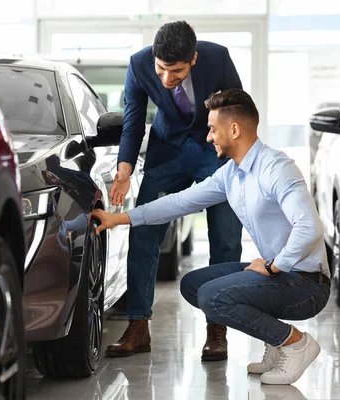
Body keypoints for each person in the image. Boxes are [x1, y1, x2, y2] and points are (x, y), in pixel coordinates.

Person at [91, 89, 330, 385]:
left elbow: (310, 228)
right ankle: (276, 342)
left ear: (234, 129)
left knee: (211, 297)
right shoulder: (231, 173)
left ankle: (295, 343)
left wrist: (274, 266)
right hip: (281, 273)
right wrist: (121, 218)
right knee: (194, 285)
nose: (208, 138)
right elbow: (179, 202)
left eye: (212, 129)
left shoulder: (277, 168)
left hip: (307, 284)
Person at [106, 20, 244, 359]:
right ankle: (138, 326)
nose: (168, 79)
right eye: (162, 69)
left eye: (177, 71)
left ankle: (217, 330)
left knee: (225, 237)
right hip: (167, 151)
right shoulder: (139, 65)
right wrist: (124, 171)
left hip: (215, 151)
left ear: (193, 59)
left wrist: (243, 163)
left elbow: (238, 112)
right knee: (143, 229)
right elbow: (133, 121)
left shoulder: (218, 59)